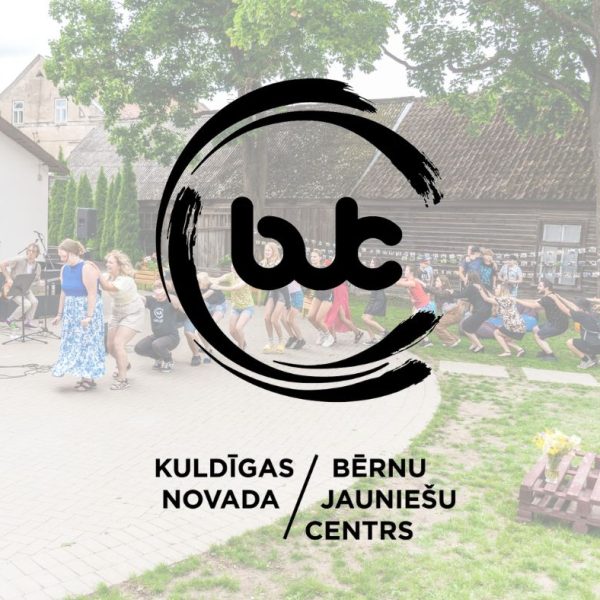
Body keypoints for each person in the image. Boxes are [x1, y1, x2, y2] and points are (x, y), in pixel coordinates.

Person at [51, 239, 105, 390]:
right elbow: (63, 292)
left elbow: (92, 294)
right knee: (75, 343)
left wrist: (89, 316)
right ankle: (85, 375)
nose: (62, 259)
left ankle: (88, 378)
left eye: (64, 256)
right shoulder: (64, 269)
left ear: (73, 253)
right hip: (71, 310)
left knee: (87, 342)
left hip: (86, 308)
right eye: (60, 256)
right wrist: (59, 314)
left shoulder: (86, 268)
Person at [99, 250, 145, 390]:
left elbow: (107, 286)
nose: (107, 264)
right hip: (117, 312)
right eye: (107, 262)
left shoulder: (126, 280)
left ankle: (123, 380)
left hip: (133, 312)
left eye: (111, 262)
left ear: (119, 265)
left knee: (118, 343)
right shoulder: (107, 276)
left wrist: (95, 272)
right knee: (110, 347)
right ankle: (125, 364)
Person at [134, 281, 184, 372]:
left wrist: (165, 293)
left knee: (157, 344)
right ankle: (158, 357)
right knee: (139, 348)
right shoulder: (151, 300)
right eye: (156, 289)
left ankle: (168, 360)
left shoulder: (172, 300)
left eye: (160, 289)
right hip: (157, 336)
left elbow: (178, 305)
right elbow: (140, 298)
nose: (158, 294)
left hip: (171, 337)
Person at [516, 279, 569, 361]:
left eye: (540, 286)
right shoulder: (550, 295)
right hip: (554, 322)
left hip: (558, 324)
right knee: (535, 329)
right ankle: (545, 350)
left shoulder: (548, 298)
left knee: (538, 335)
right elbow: (534, 301)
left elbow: (533, 305)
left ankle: (551, 355)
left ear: (546, 288)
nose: (538, 287)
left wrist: (516, 300)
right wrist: (518, 300)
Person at [211, 264, 254, 349]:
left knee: (238, 328)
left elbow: (235, 288)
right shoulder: (230, 276)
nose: (232, 267)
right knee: (232, 331)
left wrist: (219, 287)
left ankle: (241, 348)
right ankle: (243, 343)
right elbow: (217, 279)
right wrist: (205, 278)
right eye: (231, 266)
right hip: (235, 308)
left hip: (247, 307)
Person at [0, 243, 42, 328]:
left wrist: (40, 283)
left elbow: (37, 280)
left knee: (34, 302)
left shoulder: (37, 266)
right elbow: (2, 264)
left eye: (33, 251)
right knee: (26, 304)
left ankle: (27, 322)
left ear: (37, 254)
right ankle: (10, 320)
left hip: (25, 289)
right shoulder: (19, 259)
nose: (30, 253)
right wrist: (8, 278)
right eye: (29, 250)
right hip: (14, 288)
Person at [552, 295, 600, 369]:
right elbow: (572, 305)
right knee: (589, 341)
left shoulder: (581, 315)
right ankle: (593, 359)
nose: (575, 308)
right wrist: (560, 297)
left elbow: (565, 309)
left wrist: (555, 299)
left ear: (581, 308)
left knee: (570, 342)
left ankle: (586, 360)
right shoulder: (594, 313)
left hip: (593, 346)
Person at [260, 242, 291, 354]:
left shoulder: (278, 262)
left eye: (269, 250)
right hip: (272, 292)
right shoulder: (263, 263)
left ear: (274, 252)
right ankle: (270, 342)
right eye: (266, 250)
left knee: (274, 319)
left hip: (282, 292)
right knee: (266, 318)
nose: (267, 252)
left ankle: (281, 341)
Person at [480, 284, 526, 357]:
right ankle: (520, 350)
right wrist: (485, 289)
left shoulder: (503, 299)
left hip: (514, 326)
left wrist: (480, 289)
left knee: (496, 333)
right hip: (519, 326)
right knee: (506, 339)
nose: (495, 289)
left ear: (502, 290)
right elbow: (492, 297)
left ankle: (507, 351)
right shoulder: (506, 298)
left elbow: (486, 299)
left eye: (497, 288)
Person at [451, 272, 492, 353]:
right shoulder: (479, 286)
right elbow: (472, 297)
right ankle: (474, 344)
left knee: (465, 326)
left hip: (481, 311)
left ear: (469, 278)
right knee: (471, 328)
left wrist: (451, 292)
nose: (464, 278)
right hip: (486, 311)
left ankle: (480, 346)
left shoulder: (471, 286)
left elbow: (460, 295)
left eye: (466, 277)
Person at [396, 264, 436, 347]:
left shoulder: (412, 282)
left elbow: (398, 283)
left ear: (411, 272)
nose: (405, 271)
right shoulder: (409, 280)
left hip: (425, 305)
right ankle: (425, 340)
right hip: (420, 305)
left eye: (406, 270)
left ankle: (426, 341)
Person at [306, 249, 335, 347]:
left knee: (318, 319)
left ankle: (329, 337)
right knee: (310, 317)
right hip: (318, 295)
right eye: (312, 256)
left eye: (315, 257)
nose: (313, 258)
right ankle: (322, 333)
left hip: (327, 295)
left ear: (320, 258)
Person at [324, 281, 364, 346]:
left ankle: (333, 338)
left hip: (338, 292)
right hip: (339, 291)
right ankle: (357, 333)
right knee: (341, 317)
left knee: (331, 315)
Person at [361, 258, 389, 345]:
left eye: (373, 263)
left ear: (377, 265)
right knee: (364, 319)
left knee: (366, 318)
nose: (371, 264)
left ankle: (384, 331)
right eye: (371, 262)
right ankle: (373, 339)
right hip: (373, 298)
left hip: (378, 299)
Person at [431, 274, 463, 347]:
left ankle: (451, 342)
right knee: (438, 326)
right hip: (450, 312)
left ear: (443, 283)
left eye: (437, 281)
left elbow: (441, 294)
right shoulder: (439, 291)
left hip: (454, 312)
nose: (435, 282)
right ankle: (455, 339)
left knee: (438, 326)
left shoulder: (446, 291)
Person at [285, 280, 306, 349]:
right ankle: (294, 337)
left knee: (290, 320)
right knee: (286, 320)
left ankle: (301, 339)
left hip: (297, 296)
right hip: (289, 296)